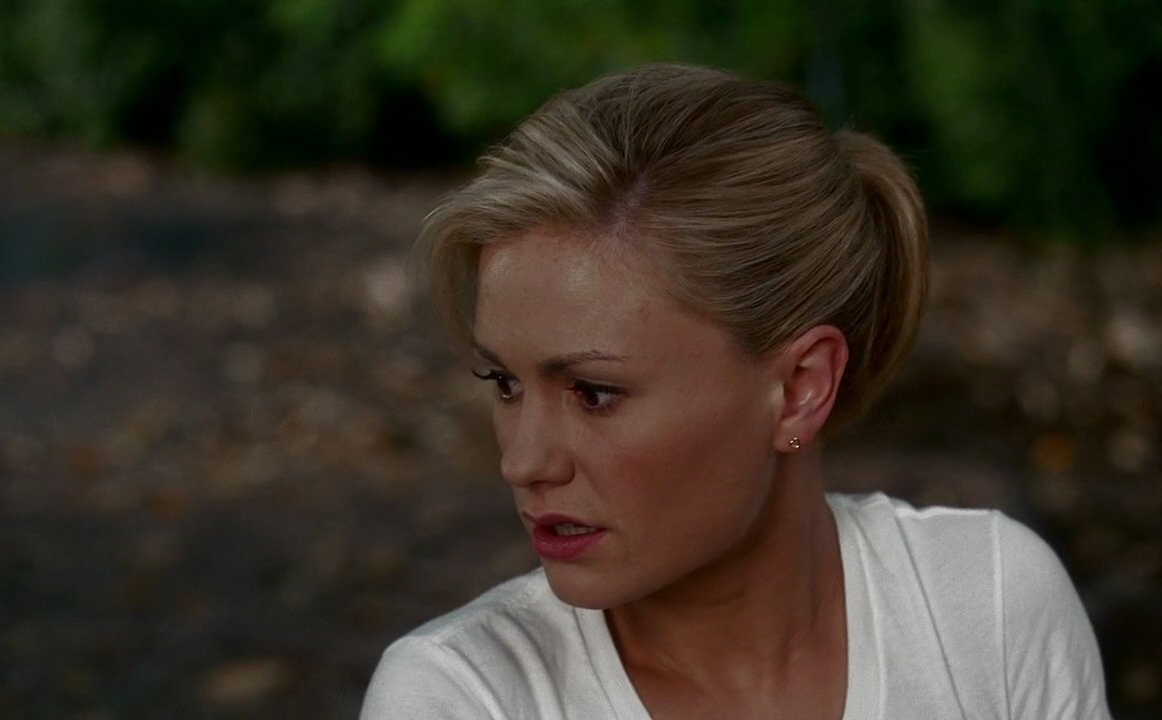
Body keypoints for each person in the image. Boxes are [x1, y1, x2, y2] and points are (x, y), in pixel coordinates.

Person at [360, 63, 1111, 719]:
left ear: (800, 388)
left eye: (593, 393)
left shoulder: (988, 607)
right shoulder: (464, 697)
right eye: (505, 383)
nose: (522, 462)